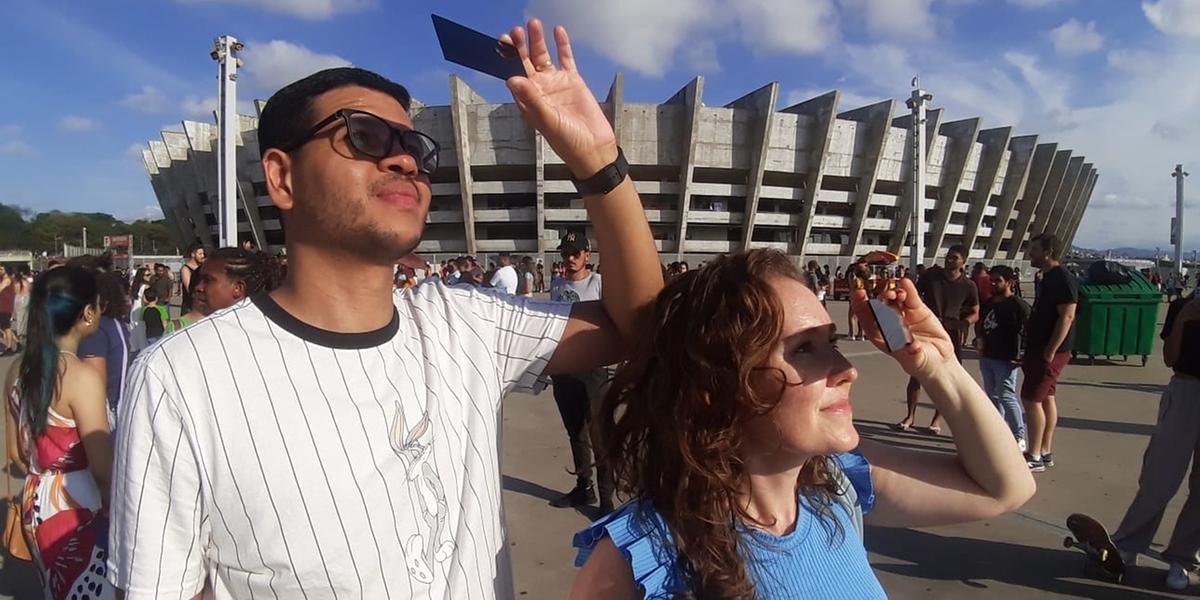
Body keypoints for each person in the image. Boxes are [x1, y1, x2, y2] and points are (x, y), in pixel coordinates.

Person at [109, 20, 663, 599]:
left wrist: (598, 158)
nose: (403, 162)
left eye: (415, 148)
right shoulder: (181, 376)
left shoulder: (464, 324)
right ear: (281, 176)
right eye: (366, 137)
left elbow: (641, 322)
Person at [569, 250, 1035, 598]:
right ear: (716, 387)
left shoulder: (834, 486)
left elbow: (1006, 489)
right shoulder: (639, 559)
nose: (847, 369)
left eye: (830, 342)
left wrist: (940, 367)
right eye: (804, 349)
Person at [4, 266, 115, 599]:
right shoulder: (81, 377)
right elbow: (102, 466)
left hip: (36, 498)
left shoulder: (18, 368)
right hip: (77, 502)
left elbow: (15, 453)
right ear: (86, 313)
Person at [1106, 287, 1200, 589]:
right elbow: (1171, 358)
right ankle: (1128, 544)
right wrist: (1184, 318)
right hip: (1186, 391)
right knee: (1159, 478)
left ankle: (1182, 559)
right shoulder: (1182, 307)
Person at [548, 232, 614, 513]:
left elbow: (614, 322)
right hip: (564, 370)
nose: (570, 259)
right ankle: (583, 488)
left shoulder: (599, 284)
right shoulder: (557, 286)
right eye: (565, 254)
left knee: (600, 437)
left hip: (593, 371)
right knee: (575, 433)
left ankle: (607, 500)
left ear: (588, 255)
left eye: (575, 253)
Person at [896, 245, 979, 435]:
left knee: (944, 379)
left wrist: (964, 323)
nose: (949, 260)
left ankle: (936, 420)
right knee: (916, 374)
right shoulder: (931, 277)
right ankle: (910, 416)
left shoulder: (968, 286)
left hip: (950, 336)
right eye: (948, 256)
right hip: (925, 330)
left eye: (954, 257)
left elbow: (975, 312)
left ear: (963, 262)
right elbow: (912, 296)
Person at [1021, 233, 1077, 472]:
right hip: (1041, 347)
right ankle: (1044, 450)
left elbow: (1067, 316)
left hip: (1048, 351)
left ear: (1048, 251)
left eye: (1034, 249)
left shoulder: (1063, 279)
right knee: (1046, 398)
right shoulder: (1046, 277)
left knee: (1031, 399)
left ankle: (1034, 455)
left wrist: (1050, 351)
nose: (1029, 254)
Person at [70, 256, 131, 421]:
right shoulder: (113, 323)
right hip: (116, 408)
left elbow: (93, 387)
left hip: (102, 414)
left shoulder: (96, 330)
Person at [978, 266, 1030, 449]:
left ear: (1009, 283)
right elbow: (981, 324)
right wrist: (980, 339)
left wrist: (1021, 354)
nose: (993, 283)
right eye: (991, 280)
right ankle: (997, 431)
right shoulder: (989, 303)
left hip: (1006, 358)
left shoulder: (1018, 305)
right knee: (992, 396)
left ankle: (1019, 436)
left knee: (1007, 395)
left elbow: (1029, 331)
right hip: (987, 356)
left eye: (997, 280)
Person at [180, 241, 206, 314]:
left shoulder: (203, 267)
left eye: (203, 253)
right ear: (193, 254)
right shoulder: (186, 269)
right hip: (189, 307)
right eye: (200, 254)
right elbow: (189, 288)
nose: (202, 256)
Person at [10, 265, 31, 349]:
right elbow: (30, 289)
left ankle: (19, 333)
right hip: (27, 298)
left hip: (18, 299)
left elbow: (15, 292)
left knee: (18, 317)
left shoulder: (16, 283)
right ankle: (23, 332)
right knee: (25, 317)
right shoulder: (26, 282)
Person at [0, 265, 15, 356]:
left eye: (1, 269)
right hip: (1, 307)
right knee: (5, 328)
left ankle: (8, 347)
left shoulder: (7, 280)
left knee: (6, 328)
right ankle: (13, 343)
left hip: (5, 307)